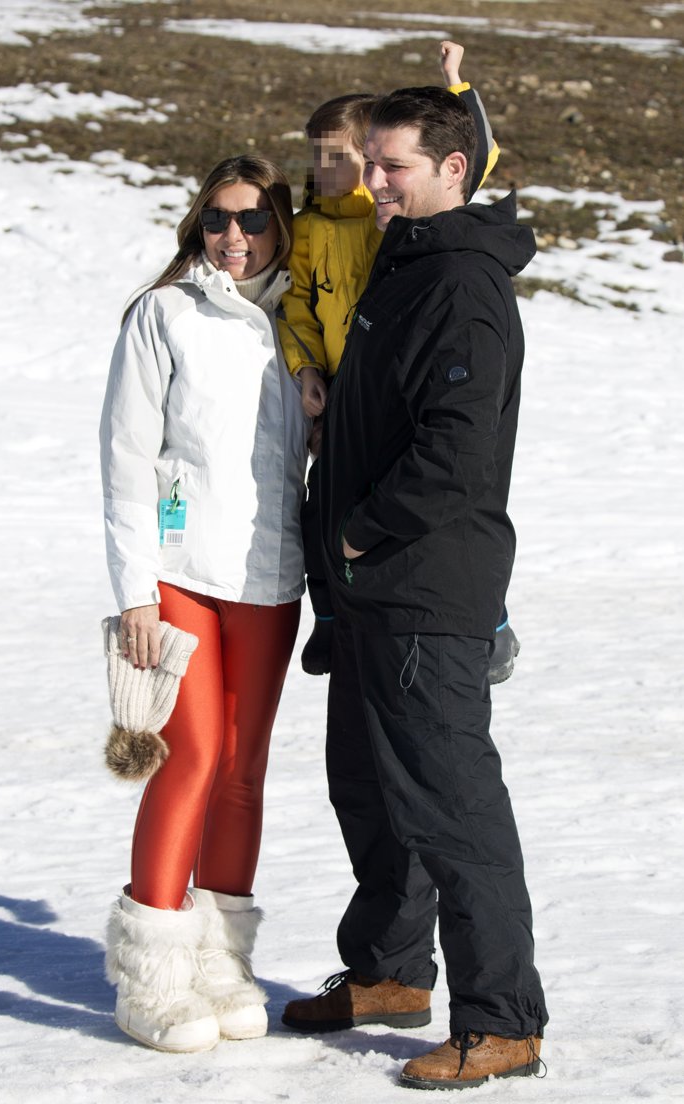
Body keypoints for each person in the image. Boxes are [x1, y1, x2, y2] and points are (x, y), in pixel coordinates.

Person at [281, 88, 549, 1090]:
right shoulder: (409, 261)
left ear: (454, 169)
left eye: (394, 166)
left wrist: (357, 528)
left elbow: (455, 454)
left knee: (451, 806)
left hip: (426, 585)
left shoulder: (461, 283)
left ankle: (504, 1019)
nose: (375, 180)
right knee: (371, 787)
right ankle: (392, 972)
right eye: (371, 161)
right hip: (371, 588)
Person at [99, 154, 308, 1053]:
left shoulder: (303, 321)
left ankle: (221, 961)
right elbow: (123, 458)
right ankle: (152, 972)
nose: (234, 238)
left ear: (281, 227)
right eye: (218, 220)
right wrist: (136, 593)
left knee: (243, 768)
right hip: (181, 572)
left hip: (272, 576)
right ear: (197, 226)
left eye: (253, 220)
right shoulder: (164, 315)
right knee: (192, 756)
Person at [279, 44, 519, 683]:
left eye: (343, 158)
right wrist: (308, 371)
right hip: (340, 388)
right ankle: (328, 618)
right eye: (317, 158)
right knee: (317, 512)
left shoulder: (392, 219)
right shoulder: (307, 230)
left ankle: (489, 619)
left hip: (386, 395)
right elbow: (297, 310)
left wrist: (456, 85)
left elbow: (479, 157)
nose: (328, 170)